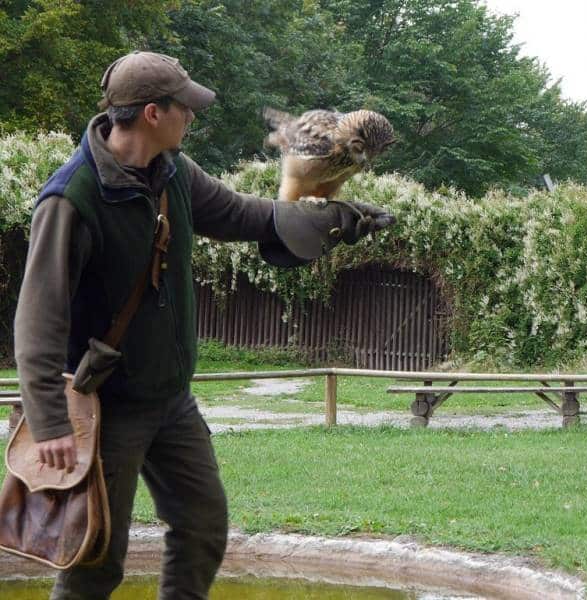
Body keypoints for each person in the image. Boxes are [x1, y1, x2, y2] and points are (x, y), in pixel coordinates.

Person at [12, 51, 395, 599]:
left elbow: (245, 214)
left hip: (172, 401)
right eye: (184, 107)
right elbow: (37, 321)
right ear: (151, 113)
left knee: (202, 529)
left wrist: (331, 219)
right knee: (94, 558)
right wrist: (49, 424)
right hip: (107, 408)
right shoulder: (72, 199)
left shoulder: (174, 173)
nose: (192, 116)